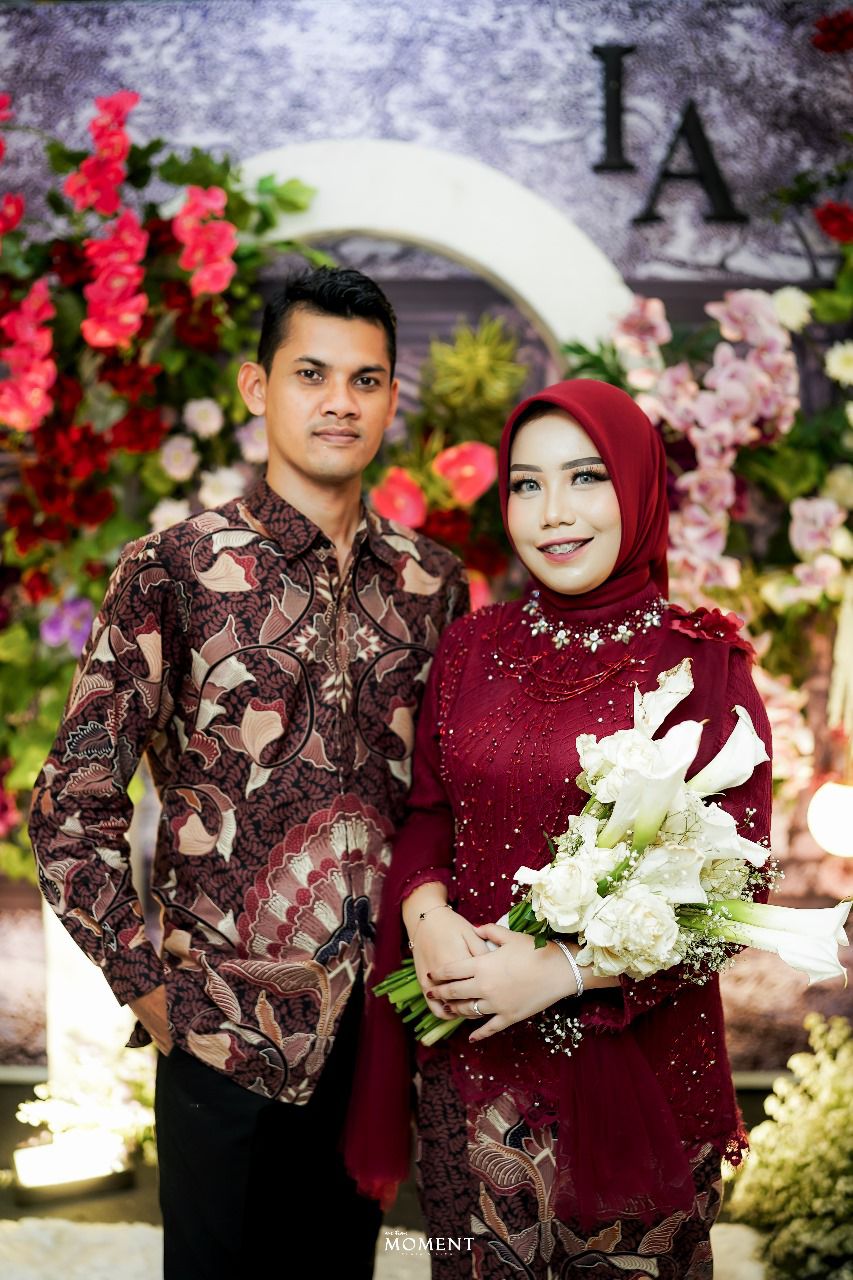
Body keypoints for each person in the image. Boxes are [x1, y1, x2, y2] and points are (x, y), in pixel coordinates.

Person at [29, 266, 469, 1279]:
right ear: (255, 387)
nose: (338, 401)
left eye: (365, 379)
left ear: (391, 400)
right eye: (311, 373)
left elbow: (444, 801)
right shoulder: (175, 568)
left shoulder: (432, 583)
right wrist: (146, 989)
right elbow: (70, 804)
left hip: (376, 1035)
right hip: (219, 1032)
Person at [345, 379, 772, 1278]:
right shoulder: (470, 647)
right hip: (472, 1069)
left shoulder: (702, 663)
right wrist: (425, 918)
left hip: (640, 1072)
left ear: (637, 487)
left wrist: (559, 971)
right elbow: (429, 812)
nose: (553, 513)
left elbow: (735, 892)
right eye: (526, 485)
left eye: (584, 477)